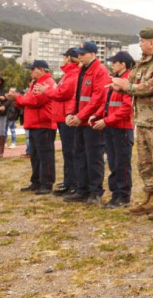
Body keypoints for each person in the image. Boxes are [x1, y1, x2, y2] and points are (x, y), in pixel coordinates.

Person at [110, 27, 153, 221]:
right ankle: (149, 198)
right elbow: (132, 83)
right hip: (143, 120)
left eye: (142, 41)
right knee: (145, 163)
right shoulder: (143, 62)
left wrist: (127, 87)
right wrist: (121, 87)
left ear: (152, 42)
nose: (140, 44)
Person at [61, 42, 110, 205]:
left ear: (93, 54)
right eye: (79, 54)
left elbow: (98, 98)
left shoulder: (100, 71)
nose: (80, 56)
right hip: (80, 121)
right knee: (79, 155)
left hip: (91, 121)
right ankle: (82, 188)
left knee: (94, 157)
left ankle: (95, 191)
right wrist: (69, 113)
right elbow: (75, 96)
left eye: (83, 53)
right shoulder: (82, 70)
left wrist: (81, 116)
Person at [91, 51, 135, 209]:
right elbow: (107, 103)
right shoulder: (116, 80)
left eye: (114, 62)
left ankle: (123, 196)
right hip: (111, 127)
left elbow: (126, 107)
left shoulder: (128, 80)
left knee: (121, 163)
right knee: (113, 162)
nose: (112, 65)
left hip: (121, 128)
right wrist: (97, 115)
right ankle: (116, 194)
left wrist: (106, 120)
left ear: (123, 64)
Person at [35, 48, 80, 196]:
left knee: (71, 152)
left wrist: (46, 90)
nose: (63, 60)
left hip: (67, 117)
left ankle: (74, 183)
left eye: (65, 57)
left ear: (69, 58)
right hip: (62, 116)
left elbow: (62, 93)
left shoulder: (73, 74)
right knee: (67, 152)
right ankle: (69, 182)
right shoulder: (68, 74)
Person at [8, 61, 57, 195]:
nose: (30, 72)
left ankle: (46, 184)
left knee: (45, 156)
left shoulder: (46, 83)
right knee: (35, 155)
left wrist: (17, 97)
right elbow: (29, 99)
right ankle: (37, 181)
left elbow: (35, 101)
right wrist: (18, 100)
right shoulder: (36, 83)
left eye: (32, 69)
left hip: (43, 124)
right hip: (36, 123)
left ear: (41, 69)